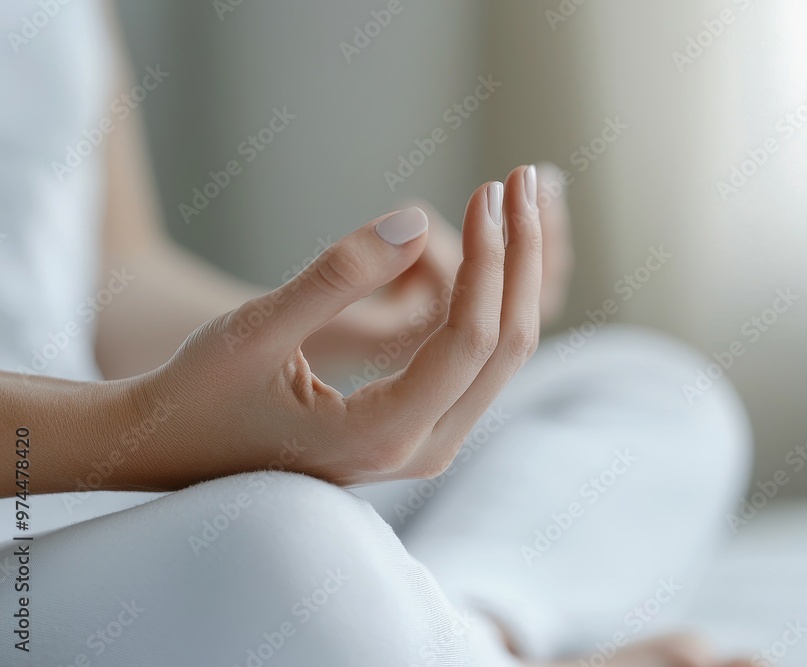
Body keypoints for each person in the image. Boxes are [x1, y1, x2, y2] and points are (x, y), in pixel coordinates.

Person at [0, 1, 752, 665]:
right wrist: (146, 428)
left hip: (116, 485)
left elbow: (110, 279)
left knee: (659, 396)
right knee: (290, 535)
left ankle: (467, 630)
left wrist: (342, 327)